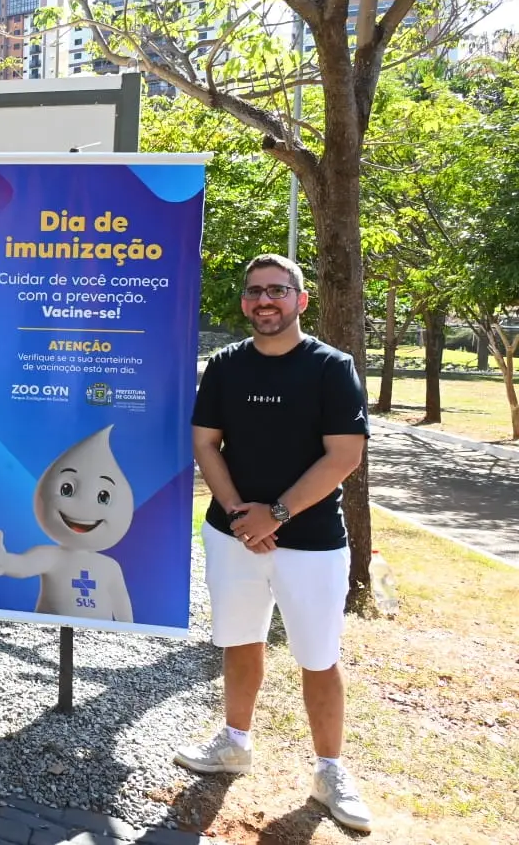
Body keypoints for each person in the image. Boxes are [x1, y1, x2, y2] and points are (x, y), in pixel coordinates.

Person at [175, 254, 373, 833]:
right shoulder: (226, 367)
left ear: (300, 300)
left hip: (310, 541)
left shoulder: (332, 368)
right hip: (233, 535)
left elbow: (345, 456)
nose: (266, 301)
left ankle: (330, 771)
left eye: (278, 291)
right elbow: (206, 442)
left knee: (318, 656)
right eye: (256, 292)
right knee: (240, 642)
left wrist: (277, 514)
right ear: (244, 302)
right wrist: (241, 514)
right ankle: (235, 742)